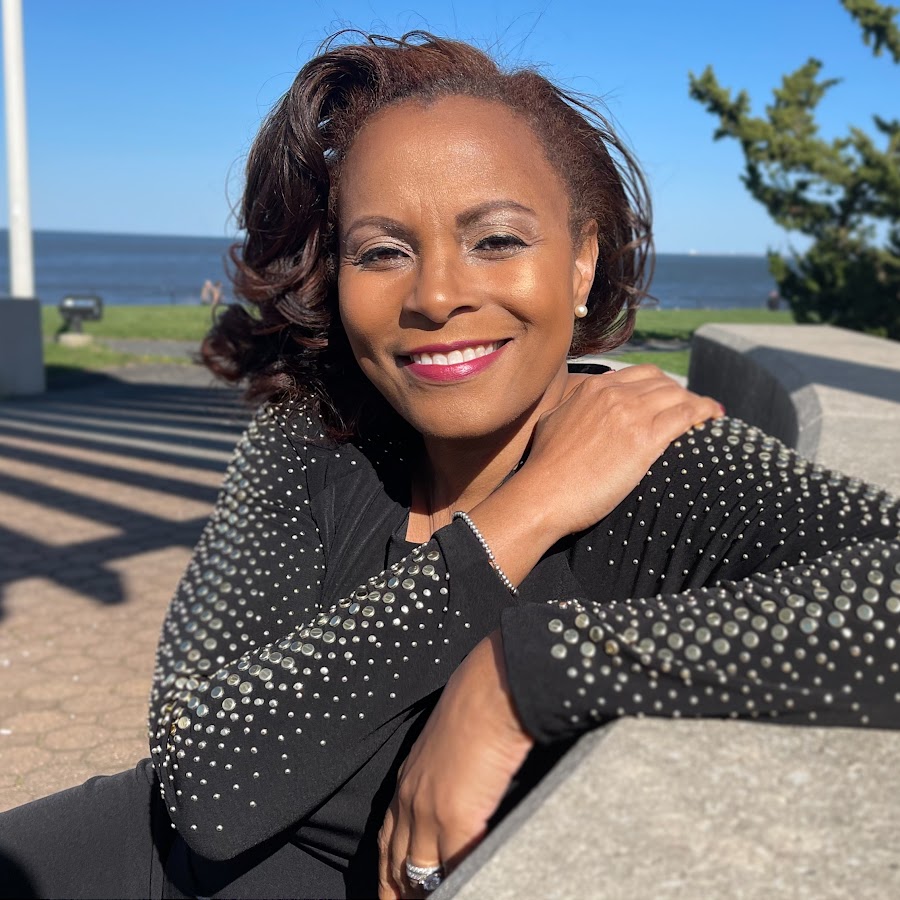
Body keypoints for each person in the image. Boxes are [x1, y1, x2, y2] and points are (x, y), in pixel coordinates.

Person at [1, 31, 899, 900]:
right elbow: (202, 778)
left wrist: (527, 672)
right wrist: (521, 516)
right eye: (382, 251)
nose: (435, 296)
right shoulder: (312, 439)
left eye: (497, 240)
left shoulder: (667, 466)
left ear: (581, 261)